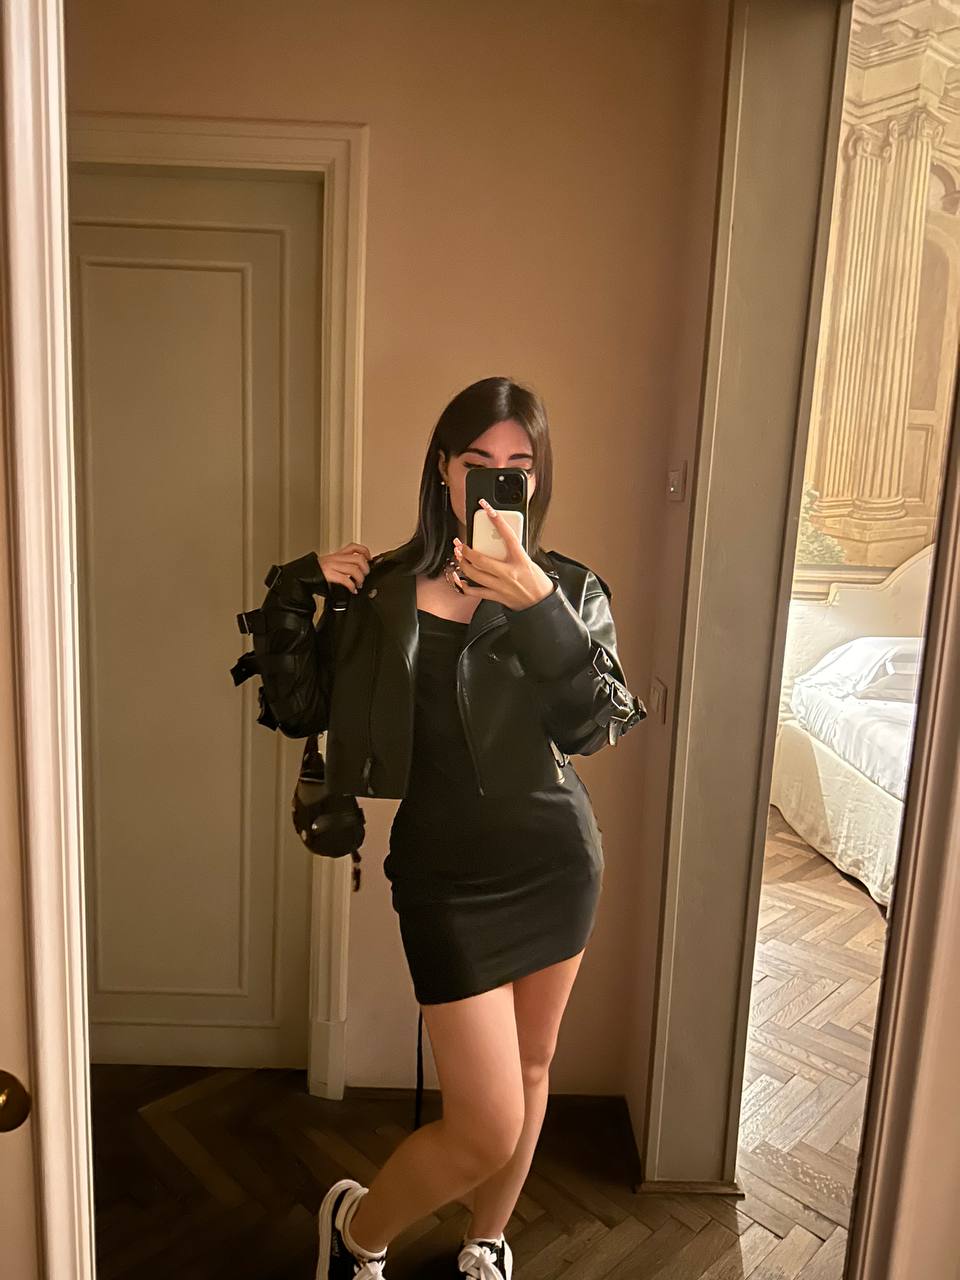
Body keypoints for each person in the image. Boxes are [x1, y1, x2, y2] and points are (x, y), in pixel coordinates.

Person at [246, 376, 645, 1280]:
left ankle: (485, 1241)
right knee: (486, 1123)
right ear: (442, 469)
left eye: (519, 466)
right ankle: (356, 1233)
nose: (499, 482)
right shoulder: (384, 590)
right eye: (479, 462)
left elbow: (593, 727)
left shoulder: (569, 589)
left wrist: (539, 605)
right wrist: (295, 593)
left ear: (537, 479)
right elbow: (301, 707)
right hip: (444, 877)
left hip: (556, 862)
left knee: (533, 1068)